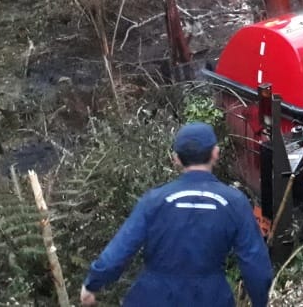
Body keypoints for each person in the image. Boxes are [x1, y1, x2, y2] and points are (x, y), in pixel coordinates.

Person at [80, 122, 273, 306]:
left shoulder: (154, 200)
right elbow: (255, 263)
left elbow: (121, 249)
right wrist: (260, 301)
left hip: (152, 297)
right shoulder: (235, 202)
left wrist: (92, 284)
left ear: (176, 159)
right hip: (210, 298)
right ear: (216, 153)